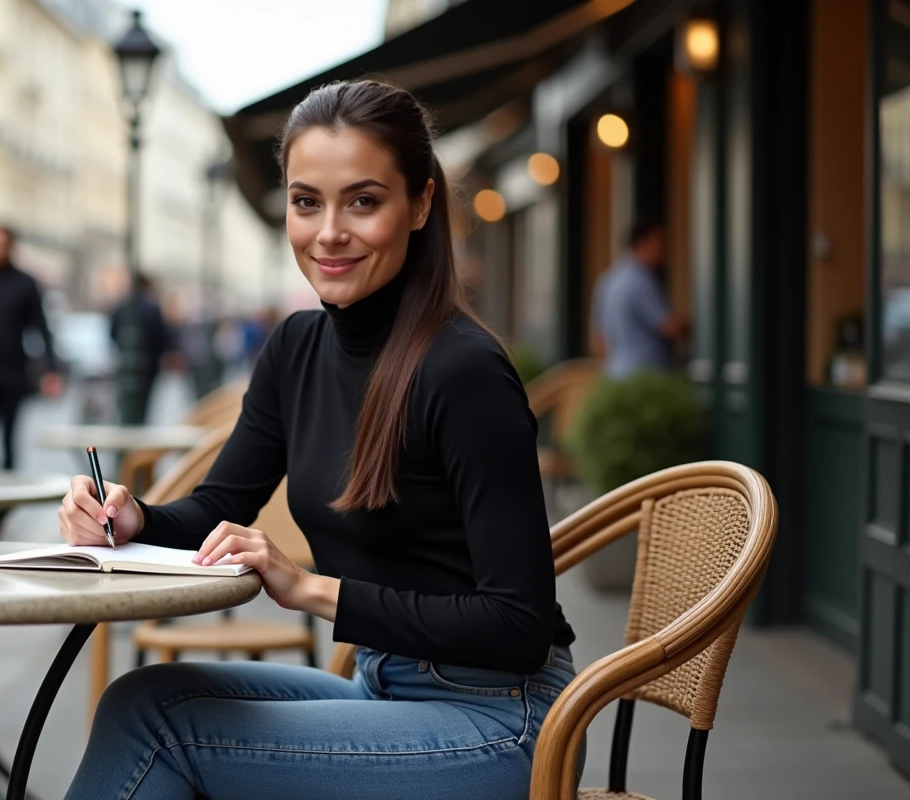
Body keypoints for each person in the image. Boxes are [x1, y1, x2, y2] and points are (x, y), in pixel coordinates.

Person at [58, 79, 579, 800]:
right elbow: (219, 505)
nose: (328, 231)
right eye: (307, 202)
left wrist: (309, 588)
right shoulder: (296, 348)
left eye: (362, 201)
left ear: (421, 205)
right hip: (385, 690)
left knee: (165, 734)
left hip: (502, 720)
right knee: (141, 701)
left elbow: (518, 624)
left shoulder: (464, 371)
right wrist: (133, 518)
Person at [0, 224, 63, 469]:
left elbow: (41, 328)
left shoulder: (25, 284)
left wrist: (51, 370)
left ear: (12, 247)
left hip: (13, 372)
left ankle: (6, 493)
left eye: (3, 244)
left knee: (9, 436)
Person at [590, 218, 689, 378]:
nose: (665, 249)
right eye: (660, 242)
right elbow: (669, 327)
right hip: (645, 376)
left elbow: (598, 340)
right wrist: (694, 326)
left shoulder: (608, 280)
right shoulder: (641, 281)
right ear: (643, 242)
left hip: (616, 373)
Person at [109, 273, 172, 418]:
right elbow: (162, 337)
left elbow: (112, 333)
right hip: (150, 364)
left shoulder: (122, 307)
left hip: (126, 364)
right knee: (144, 402)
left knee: (126, 400)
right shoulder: (152, 309)